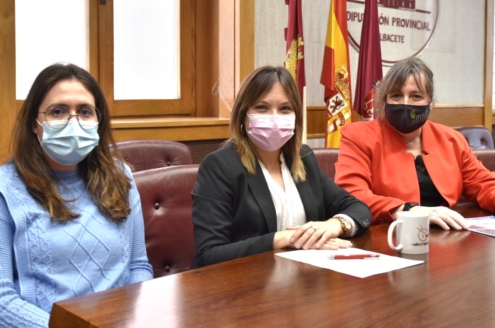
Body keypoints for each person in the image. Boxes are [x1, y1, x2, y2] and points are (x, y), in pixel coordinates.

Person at [0, 63, 153, 327]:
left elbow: (138, 267)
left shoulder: (121, 177)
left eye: (84, 111)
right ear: (34, 124)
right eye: (57, 111)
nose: (74, 121)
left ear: (98, 121)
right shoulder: (6, 188)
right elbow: (3, 301)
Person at [191, 66, 371, 268]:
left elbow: (359, 209)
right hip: (241, 284)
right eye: (262, 107)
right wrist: (284, 239)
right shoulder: (220, 166)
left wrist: (334, 225)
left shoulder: (303, 158)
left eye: (285, 108)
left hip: (303, 280)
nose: (274, 117)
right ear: (243, 115)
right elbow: (210, 254)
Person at [335, 57, 495, 230]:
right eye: (396, 95)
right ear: (384, 99)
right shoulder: (358, 136)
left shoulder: (452, 139)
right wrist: (408, 211)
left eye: (416, 96)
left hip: (446, 241)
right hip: (387, 238)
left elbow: (484, 185)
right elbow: (352, 195)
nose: (405, 104)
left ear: (430, 103)